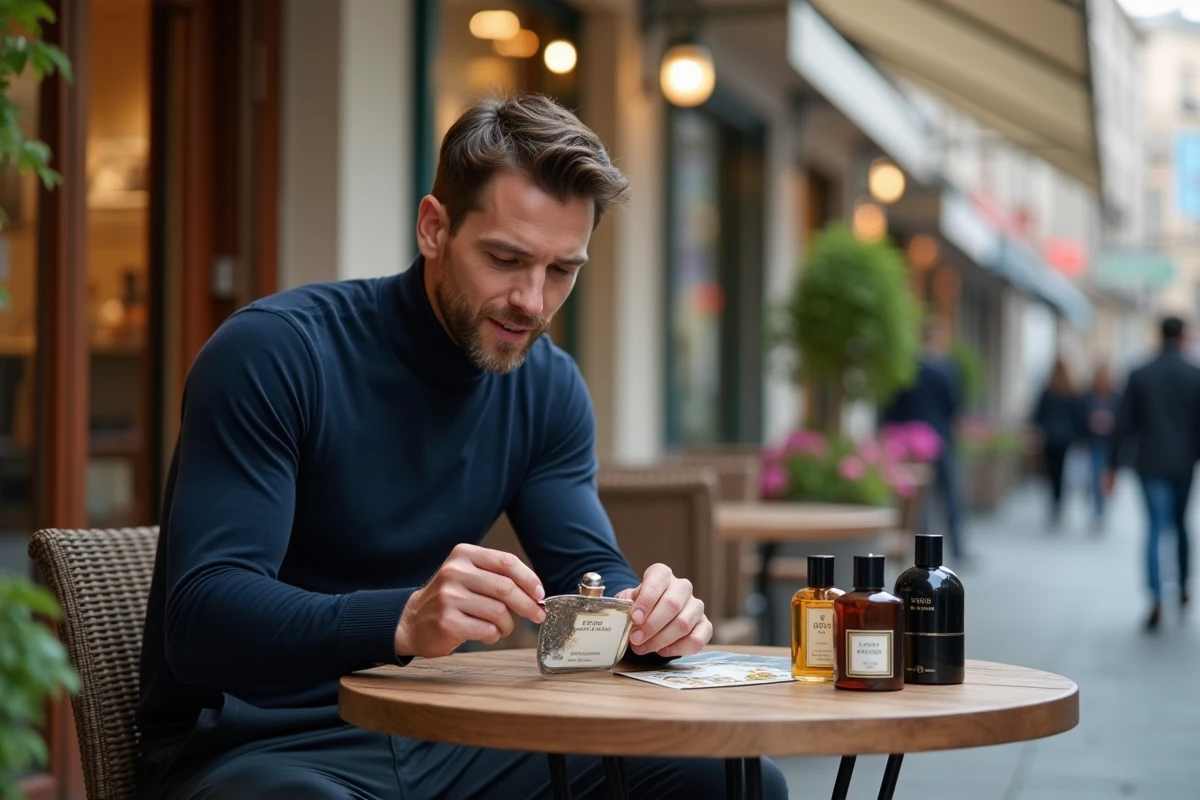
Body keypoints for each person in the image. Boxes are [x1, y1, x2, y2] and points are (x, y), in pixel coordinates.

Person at [135, 94, 788, 799]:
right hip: (263, 743)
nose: (533, 302)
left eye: (563, 270)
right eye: (506, 259)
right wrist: (403, 618)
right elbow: (203, 615)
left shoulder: (547, 387)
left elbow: (586, 570)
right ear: (433, 227)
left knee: (733, 783)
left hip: (446, 732)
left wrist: (645, 613)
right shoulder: (275, 354)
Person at [1106, 316, 1200, 631]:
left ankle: (1157, 596)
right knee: (1181, 524)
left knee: (1156, 528)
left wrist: (1112, 466)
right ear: (1184, 336)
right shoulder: (1194, 375)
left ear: (1159, 336)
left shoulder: (1141, 373)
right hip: (1185, 462)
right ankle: (1184, 585)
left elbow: (1123, 424)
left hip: (1149, 463)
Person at [882, 317, 965, 560]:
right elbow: (954, 405)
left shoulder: (907, 367)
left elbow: (892, 405)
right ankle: (957, 546)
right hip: (938, 438)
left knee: (917, 497)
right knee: (947, 493)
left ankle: (922, 549)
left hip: (906, 440)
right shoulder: (945, 369)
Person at [1031, 357, 1081, 528]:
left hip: (1051, 437)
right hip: (1065, 438)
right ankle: (1058, 499)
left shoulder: (1048, 391)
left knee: (1052, 471)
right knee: (1060, 470)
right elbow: (1077, 415)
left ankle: (1055, 499)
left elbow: (1038, 414)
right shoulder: (1070, 390)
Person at [1082, 363, 1121, 526]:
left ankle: (1103, 503)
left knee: (1107, 474)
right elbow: (1081, 415)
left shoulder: (1116, 397)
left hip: (1111, 442)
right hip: (1094, 441)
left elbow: (1122, 418)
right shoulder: (1089, 396)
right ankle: (1099, 507)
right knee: (1096, 473)